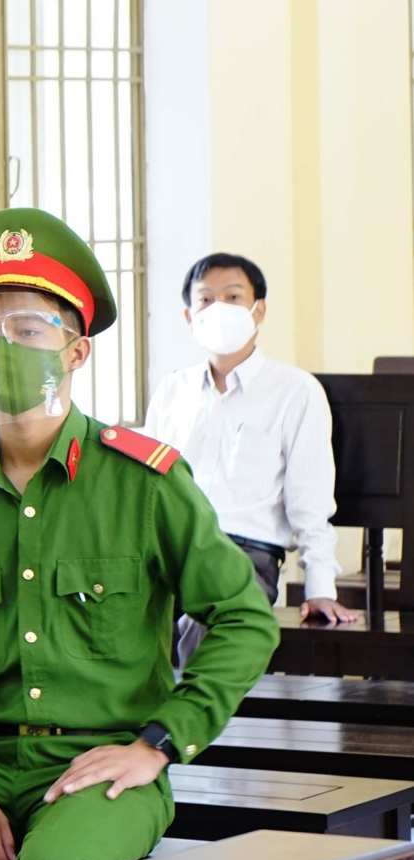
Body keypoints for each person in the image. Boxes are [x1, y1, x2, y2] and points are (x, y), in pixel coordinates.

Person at [0, 209, 280, 860]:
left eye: (27, 330)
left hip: (101, 774)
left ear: (76, 351)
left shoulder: (145, 483)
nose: (2, 347)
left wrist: (158, 744)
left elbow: (245, 619)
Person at [144, 252, 355, 667]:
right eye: (206, 300)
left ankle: (187, 710)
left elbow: (310, 497)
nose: (219, 308)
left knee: (212, 624)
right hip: (168, 548)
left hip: (244, 554)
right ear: (189, 316)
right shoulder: (172, 391)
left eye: (233, 297)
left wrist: (320, 587)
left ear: (258, 310)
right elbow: (146, 484)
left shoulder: (295, 391)